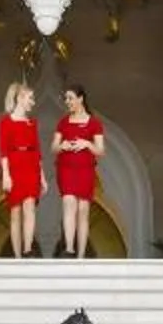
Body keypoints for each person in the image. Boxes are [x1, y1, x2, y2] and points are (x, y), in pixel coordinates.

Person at [54, 85, 104, 260]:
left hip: (85, 170)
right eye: (66, 99)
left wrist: (87, 144)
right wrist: (62, 146)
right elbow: (54, 147)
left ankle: (81, 255)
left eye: (70, 98)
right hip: (66, 169)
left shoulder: (94, 123)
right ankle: (69, 249)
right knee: (69, 204)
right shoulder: (63, 122)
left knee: (83, 211)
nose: (67, 102)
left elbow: (100, 151)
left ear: (80, 98)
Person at [0, 79, 44, 260]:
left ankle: (28, 250)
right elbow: (3, 150)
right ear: (20, 98)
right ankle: (17, 257)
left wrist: (42, 177)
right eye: (30, 98)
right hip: (14, 166)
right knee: (16, 213)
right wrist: (6, 175)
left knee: (30, 208)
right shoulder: (5, 122)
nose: (33, 102)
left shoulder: (32, 123)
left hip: (31, 165)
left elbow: (37, 150)